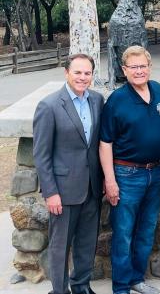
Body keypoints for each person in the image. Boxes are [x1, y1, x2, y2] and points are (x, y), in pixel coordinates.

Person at [33, 53, 104, 294]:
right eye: (78, 72)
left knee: (86, 243)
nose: (83, 77)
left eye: (87, 73)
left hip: (92, 188)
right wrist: (50, 192)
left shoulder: (97, 100)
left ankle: (81, 285)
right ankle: (60, 290)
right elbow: (41, 156)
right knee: (60, 246)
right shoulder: (49, 105)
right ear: (66, 73)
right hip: (63, 192)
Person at [99, 46, 160, 294]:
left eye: (143, 66)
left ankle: (137, 279)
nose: (139, 71)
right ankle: (121, 287)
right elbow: (105, 143)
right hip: (127, 175)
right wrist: (110, 180)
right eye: (134, 67)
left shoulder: (159, 91)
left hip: (155, 173)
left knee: (146, 230)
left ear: (149, 67)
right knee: (124, 234)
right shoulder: (117, 101)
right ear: (124, 70)